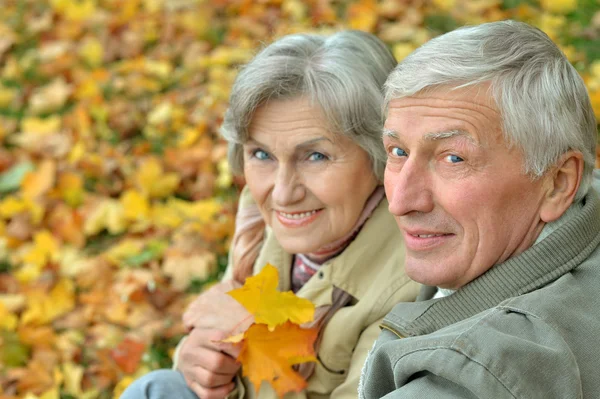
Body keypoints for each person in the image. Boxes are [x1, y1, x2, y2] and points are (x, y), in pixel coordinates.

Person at [121, 30, 420, 399]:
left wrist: (245, 344)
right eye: (262, 154)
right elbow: (220, 333)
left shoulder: (409, 279)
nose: (281, 192)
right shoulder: (260, 214)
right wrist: (199, 363)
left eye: (316, 156)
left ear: (380, 156)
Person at [358, 20, 600, 398]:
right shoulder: (587, 203)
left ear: (557, 183)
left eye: (453, 158)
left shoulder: (473, 380)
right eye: (398, 152)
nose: (401, 201)